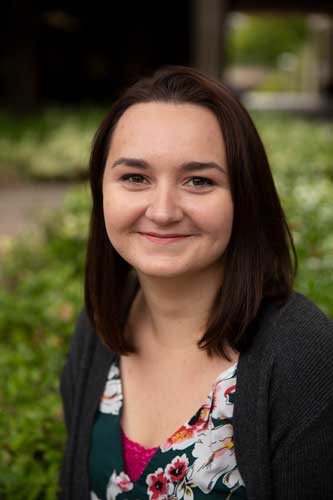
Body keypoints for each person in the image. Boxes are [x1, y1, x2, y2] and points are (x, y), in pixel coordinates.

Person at [58, 66, 333, 500]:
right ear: (101, 191)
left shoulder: (305, 357)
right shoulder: (98, 325)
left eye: (199, 181)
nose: (163, 210)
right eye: (135, 177)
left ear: (243, 198)